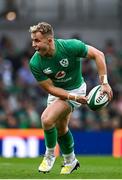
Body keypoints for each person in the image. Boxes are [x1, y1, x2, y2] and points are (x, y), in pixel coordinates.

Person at [29, 22, 113, 174]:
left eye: (37, 41)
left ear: (49, 40)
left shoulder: (70, 47)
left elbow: (98, 54)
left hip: (77, 89)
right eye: (33, 40)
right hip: (58, 92)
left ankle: (49, 155)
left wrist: (104, 83)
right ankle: (71, 160)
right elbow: (49, 88)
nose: (33, 45)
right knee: (61, 129)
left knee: (47, 119)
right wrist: (71, 96)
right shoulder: (35, 62)